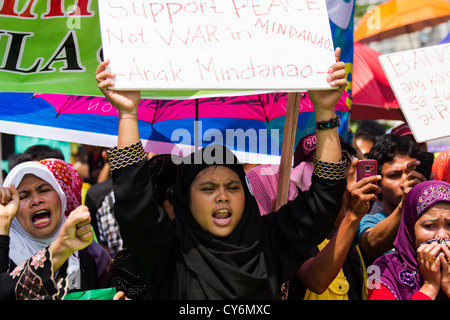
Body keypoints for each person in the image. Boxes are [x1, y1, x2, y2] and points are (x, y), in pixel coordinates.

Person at [96, 48, 348, 299]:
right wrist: (128, 114)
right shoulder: (170, 252)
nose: (222, 196)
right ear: (185, 199)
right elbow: (135, 208)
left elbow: (324, 199)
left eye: (233, 186)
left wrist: (325, 110)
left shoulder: (270, 241)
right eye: (208, 188)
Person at [0, 159, 110, 299]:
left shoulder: (83, 260)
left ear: (61, 198)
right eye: (23, 196)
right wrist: (3, 222)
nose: (36, 200)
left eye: (44, 190)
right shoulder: (6, 258)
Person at [368, 180, 450, 300]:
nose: (442, 236)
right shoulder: (382, 269)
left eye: (449, 225)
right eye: (429, 226)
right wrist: (430, 286)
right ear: (410, 228)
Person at [357, 133, 424, 265]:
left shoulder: (434, 220)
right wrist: (406, 204)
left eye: (411, 173)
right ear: (378, 183)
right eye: (394, 175)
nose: (404, 183)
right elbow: (371, 245)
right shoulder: (368, 221)